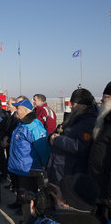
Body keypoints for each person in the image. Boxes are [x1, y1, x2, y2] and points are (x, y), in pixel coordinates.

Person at [7, 99, 48, 223]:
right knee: (23, 198)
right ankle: (26, 220)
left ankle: (30, 221)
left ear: (25, 110)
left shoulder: (34, 126)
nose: (15, 110)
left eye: (18, 108)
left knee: (29, 199)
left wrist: (45, 165)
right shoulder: (21, 123)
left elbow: (43, 148)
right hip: (19, 168)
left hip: (29, 169)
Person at [46, 88, 98, 186]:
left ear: (83, 106)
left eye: (73, 104)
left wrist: (57, 140)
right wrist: (50, 137)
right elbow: (57, 131)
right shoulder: (72, 118)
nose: (70, 106)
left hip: (70, 172)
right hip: (58, 168)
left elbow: (80, 146)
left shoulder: (89, 122)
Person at [28, 173, 100, 224]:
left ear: (66, 203)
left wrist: (34, 218)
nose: (55, 194)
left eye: (60, 192)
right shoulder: (96, 220)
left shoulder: (50, 221)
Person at [88, 82, 111, 223]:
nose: (101, 100)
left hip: (107, 194)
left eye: (106, 97)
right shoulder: (104, 120)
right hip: (98, 187)